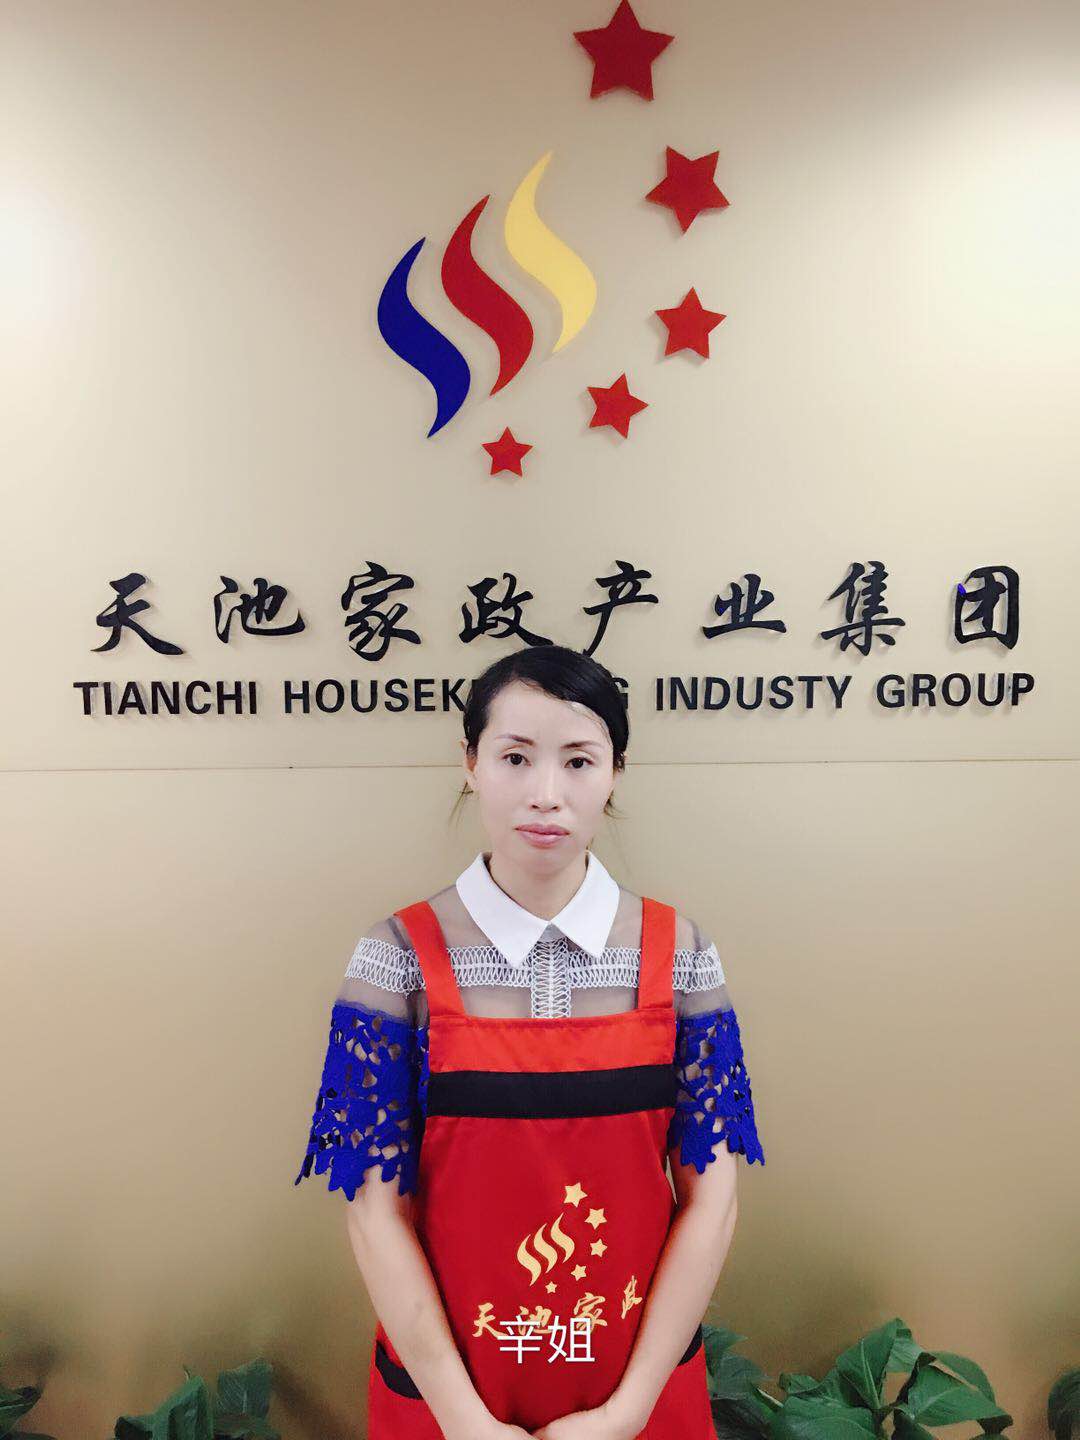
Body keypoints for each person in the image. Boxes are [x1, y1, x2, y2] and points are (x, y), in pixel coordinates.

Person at [295, 644, 764, 1440]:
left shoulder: (680, 953)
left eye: (578, 761)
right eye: (516, 757)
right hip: (449, 1396)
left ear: (615, 772)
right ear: (471, 763)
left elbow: (711, 1200)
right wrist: (465, 1422)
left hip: (637, 1389)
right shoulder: (396, 958)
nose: (546, 793)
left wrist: (625, 1413)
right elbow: (375, 1214)